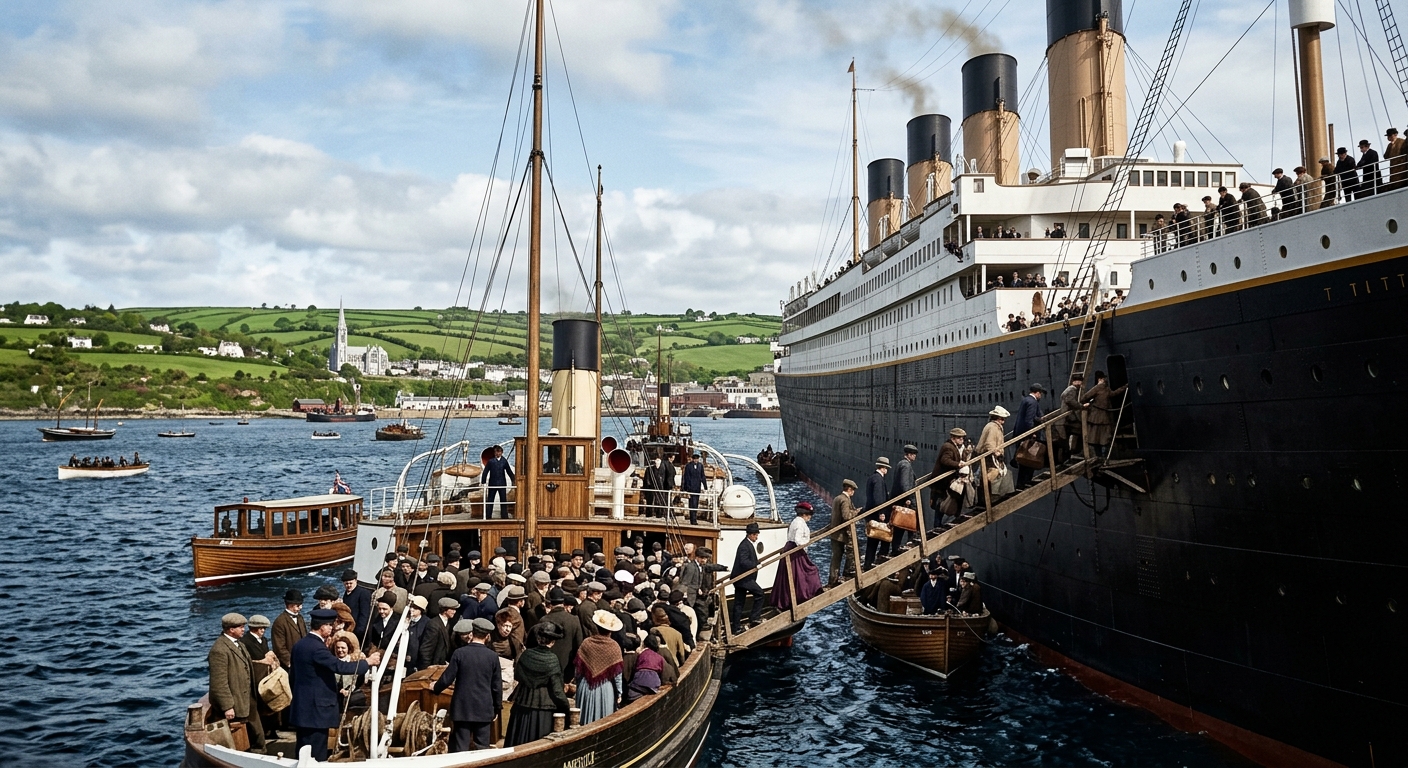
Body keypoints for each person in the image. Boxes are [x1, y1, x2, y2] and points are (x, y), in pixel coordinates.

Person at [289, 608, 379, 761]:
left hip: (302, 707)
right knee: (317, 751)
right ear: (322, 626)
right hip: (316, 710)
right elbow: (340, 667)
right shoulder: (317, 649)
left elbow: (293, 676)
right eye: (329, 625)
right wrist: (367, 662)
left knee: (302, 749)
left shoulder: (300, 645)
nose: (331, 628)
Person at [429, 617, 501, 752]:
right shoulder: (492, 657)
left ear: (472, 633)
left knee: (460, 748)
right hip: (484, 708)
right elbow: (496, 686)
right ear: (487, 636)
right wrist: (497, 707)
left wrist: (436, 688)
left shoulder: (459, 653)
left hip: (462, 708)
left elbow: (447, 679)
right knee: (482, 748)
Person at [505, 623, 571, 746]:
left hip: (523, 704)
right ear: (552, 642)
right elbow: (557, 690)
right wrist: (566, 707)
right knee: (538, 745)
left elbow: (518, 675)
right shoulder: (552, 659)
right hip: (543, 711)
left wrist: (531, 680)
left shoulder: (526, 655)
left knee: (518, 744)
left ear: (538, 639)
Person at [208, 613, 266, 753]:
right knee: (243, 739)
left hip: (247, 698)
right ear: (231, 629)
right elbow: (218, 682)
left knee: (258, 735)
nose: (243, 630)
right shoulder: (219, 650)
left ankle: (260, 754)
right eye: (240, 627)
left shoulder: (239, 644)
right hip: (236, 701)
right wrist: (227, 706)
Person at [574, 611, 625, 725]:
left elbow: (578, 670)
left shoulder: (586, 643)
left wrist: (578, 684)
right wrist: (619, 692)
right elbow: (617, 675)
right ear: (610, 630)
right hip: (604, 687)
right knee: (602, 721)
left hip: (585, 685)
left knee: (583, 721)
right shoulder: (614, 646)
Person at [770, 502, 822, 609]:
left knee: (791, 576)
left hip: (789, 548)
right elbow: (798, 540)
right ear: (804, 514)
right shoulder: (800, 524)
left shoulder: (795, 522)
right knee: (809, 571)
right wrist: (807, 541)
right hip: (795, 551)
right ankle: (807, 593)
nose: (810, 517)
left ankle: (787, 599)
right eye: (809, 515)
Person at [1082, 370, 1128, 458]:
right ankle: (1101, 456)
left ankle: (1100, 456)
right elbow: (1113, 393)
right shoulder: (1101, 388)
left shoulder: (1099, 388)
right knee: (1102, 437)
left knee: (1098, 437)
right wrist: (1124, 387)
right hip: (1100, 416)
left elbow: (1084, 397)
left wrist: (1088, 404)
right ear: (1101, 379)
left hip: (1098, 416)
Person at [729, 522, 766, 630]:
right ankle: (754, 618)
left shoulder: (746, 544)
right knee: (760, 594)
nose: (756, 537)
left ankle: (736, 628)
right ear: (750, 534)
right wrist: (756, 565)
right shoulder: (745, 546)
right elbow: (744, 562)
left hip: (740, 579)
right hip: (743, 579)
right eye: (755, 535)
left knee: (739, 603)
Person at [542, 587, 584, 676]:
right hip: (567, 668)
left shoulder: (543, 620)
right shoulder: (574, 620)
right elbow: (579, 645)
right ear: (563, 602)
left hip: (546, 668)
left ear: (550, 602)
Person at [931, 428, 968, 528]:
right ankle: (938, 524)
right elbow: (945, 460)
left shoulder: (959, 447)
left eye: (962, 438)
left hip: (948, 480)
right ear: (953, 438)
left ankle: (954, 516)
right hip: (943, 481)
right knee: (941, 502)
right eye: (959, 438)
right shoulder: (948, 447)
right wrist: (958, 464)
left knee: (949, 498)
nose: (961, 440)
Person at [1011, 384, 1045, 489]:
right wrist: (1032, 433)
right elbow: (1029, 420)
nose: (1041, 396)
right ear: (1038, 392)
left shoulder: (1026, 400)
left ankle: (1021, 483)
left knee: (1024, 460)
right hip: (1028, 435)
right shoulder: (1033, 402)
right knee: (1030, 459)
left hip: (1020, 433)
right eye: (1041, 393)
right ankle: (1025, 482)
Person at [976, 407, 1009, 509]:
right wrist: (996, 453)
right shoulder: (993, 427)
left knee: (986, 478)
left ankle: (985, 500)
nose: (1003, 421)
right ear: (998, 418)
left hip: (987, 455)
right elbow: (989, 443)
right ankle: (987, 500)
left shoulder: (991, 426)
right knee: (991, 476)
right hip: (989, 456)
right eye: (1002, 419)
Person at [862, 457, 891, 569]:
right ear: (883, 468)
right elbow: (878, 498)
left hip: (871, 514)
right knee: (882, 537)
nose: (887, 471)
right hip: (877, 514)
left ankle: (868, 563)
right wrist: (882, 512)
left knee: (872, 540)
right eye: (886, 468)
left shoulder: (872, 478)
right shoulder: (878, 479)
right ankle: (879, 558)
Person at [889, 445, 918, 552]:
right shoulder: (906, 466)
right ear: (909, 455)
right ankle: (905, 544)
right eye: (914, 454)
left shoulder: (901, 464)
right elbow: (904, 484)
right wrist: (908, 498)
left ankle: (896, 547)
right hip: (905, 500)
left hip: (900, 500)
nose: (915, 457)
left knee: (900, 525)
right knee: (904, 524)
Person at [1054, 374, 1086, 464]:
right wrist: (1082, 406)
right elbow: (1070, 401)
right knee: (1080, 430)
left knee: (1065, 440)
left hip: (1064, 420)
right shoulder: (1072, 389)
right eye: (1078, 381)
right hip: (1067, 419)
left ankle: (1067, 457)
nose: (1080, 383)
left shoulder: (1067, 389)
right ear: (1075, 382)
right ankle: (1076, 452)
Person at [271, 589, 306, 670]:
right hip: (289, 666)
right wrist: (291, 663)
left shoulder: (300, 618)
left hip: (303, 661)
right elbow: (279, 648)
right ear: (290, 605)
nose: (301, 607)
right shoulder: (279, 622)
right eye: (298, 605)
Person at [484, 445, 515, 518]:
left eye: (499, 452)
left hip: (502, 483)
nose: (498, 454)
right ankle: (488, 515)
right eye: (496, 452)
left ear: (502, 452)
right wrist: (483, 481)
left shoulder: (504, 461)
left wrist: (513, 479)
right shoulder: (491, 461)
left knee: (503, 500)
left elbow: (509, 471)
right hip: (492, 483)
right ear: (494, 453)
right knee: (490, 500)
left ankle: (504, 515)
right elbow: (485, 471)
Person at [340, 570, 370, 638]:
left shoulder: (363, 593)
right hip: (349, 628)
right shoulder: (346, 594)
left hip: (358, 631)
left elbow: (364, 614)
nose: (348, 585)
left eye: (351, 583)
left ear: (356, 580)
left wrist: (359, 631)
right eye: (346, 584)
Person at [680, 452, 705, 525]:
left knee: (695, 504)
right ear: (693, 459)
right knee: (692, 504)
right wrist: (686, 488)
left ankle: (694, 518)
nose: (696, 460)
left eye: (697, 459)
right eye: (695, 459)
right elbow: (686, 477)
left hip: (697, 488)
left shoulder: (700, 466)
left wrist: (705, 485)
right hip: (690, 488)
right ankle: (692, 519)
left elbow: (702, 475)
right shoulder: (688, 466)